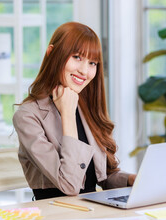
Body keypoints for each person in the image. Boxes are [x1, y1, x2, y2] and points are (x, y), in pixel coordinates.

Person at [13, 22, 136, 200]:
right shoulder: (28, 116)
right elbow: (69, 185)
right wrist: (68, 114)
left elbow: (102, 176)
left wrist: (133, 179)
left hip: (93, 212)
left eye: (92, 63)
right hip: (56, 216)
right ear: (51, 53)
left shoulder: (85, 106)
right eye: (77, 57)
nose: (84, 71)